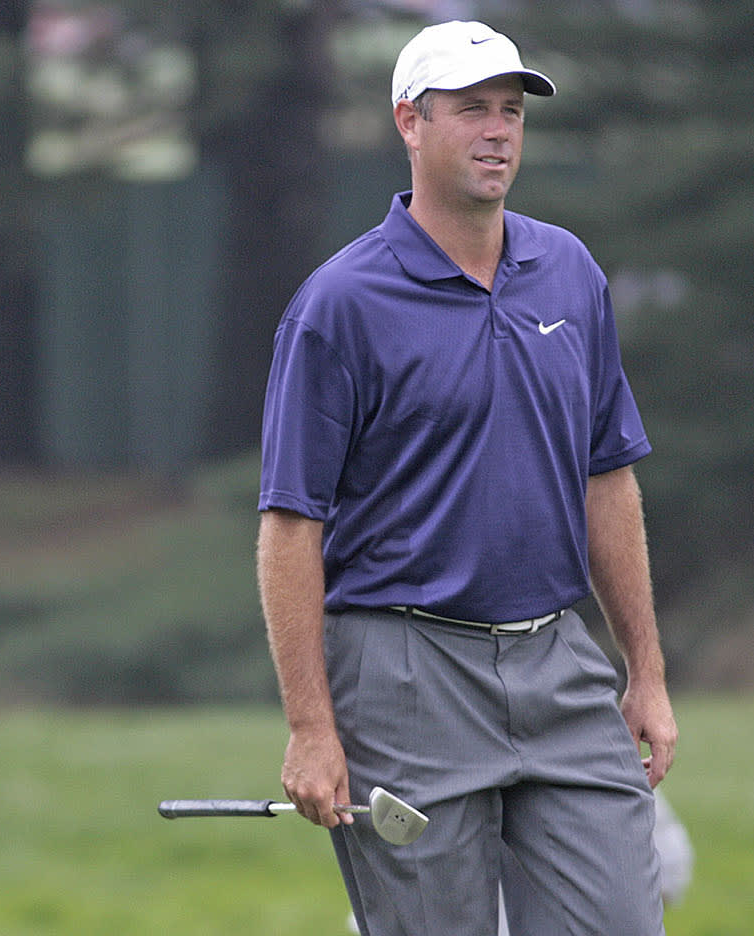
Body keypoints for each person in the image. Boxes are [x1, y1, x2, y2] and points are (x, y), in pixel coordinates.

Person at [257, 20, 678, 936]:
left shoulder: (567, 271)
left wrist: (644, 670)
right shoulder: (340, 304)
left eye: (512, 112)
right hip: (404, 674)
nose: (498, 132)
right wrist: (311, 727)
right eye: (472, 111)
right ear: (410, 122)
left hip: (560, 660)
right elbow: (292, 527)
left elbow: (608, 477)